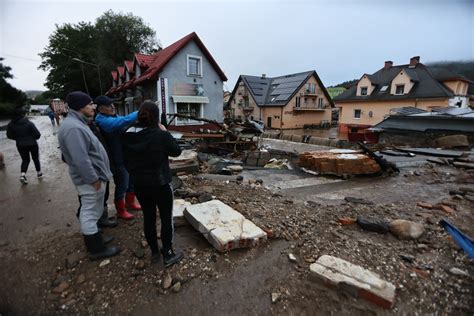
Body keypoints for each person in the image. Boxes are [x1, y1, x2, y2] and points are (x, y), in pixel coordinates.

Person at [58, 91, 120, 260]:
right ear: (80, 106)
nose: (93, 107)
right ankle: (96, 249)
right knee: (89, 212)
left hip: (94, 178)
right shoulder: (73, 128)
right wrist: (93, 179)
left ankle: (96, 236)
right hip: (90, 180)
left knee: (94, 211)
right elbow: (80, 159)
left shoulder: (78, 123)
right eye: (89, 104)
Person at [122, 101, 183, 267]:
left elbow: (125, 159)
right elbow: (176, 151)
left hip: (140, 185)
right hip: (161, 184)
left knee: (148, 218)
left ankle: (155, 252)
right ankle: (168, 252)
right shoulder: (160, 134)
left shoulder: (127, 133)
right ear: (156, 117)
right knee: (165, 218)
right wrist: (165, 131)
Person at [94, 95, 141, 220]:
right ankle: (121, 210)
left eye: (112, 104)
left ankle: (130, 203)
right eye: (109, 105)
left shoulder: (113, 116)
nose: (112, 107)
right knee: (122, 183)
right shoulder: (102, 120)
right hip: (116, 158)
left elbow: (126, 119)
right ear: (101, 109)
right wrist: (140, 111)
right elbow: (123, 122)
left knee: (132, 181)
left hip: (126, 155)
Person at [6, 106, 42, 184]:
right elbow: (38, 135)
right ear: (22, 114)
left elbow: (9, 136)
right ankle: (39, 173)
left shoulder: (11, 124)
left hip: (20, 144)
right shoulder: (29, 123)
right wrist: (33, 138)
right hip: (32, 144)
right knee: (35, 158)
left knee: (25, 160)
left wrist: (18, 139)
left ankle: (23, 175)